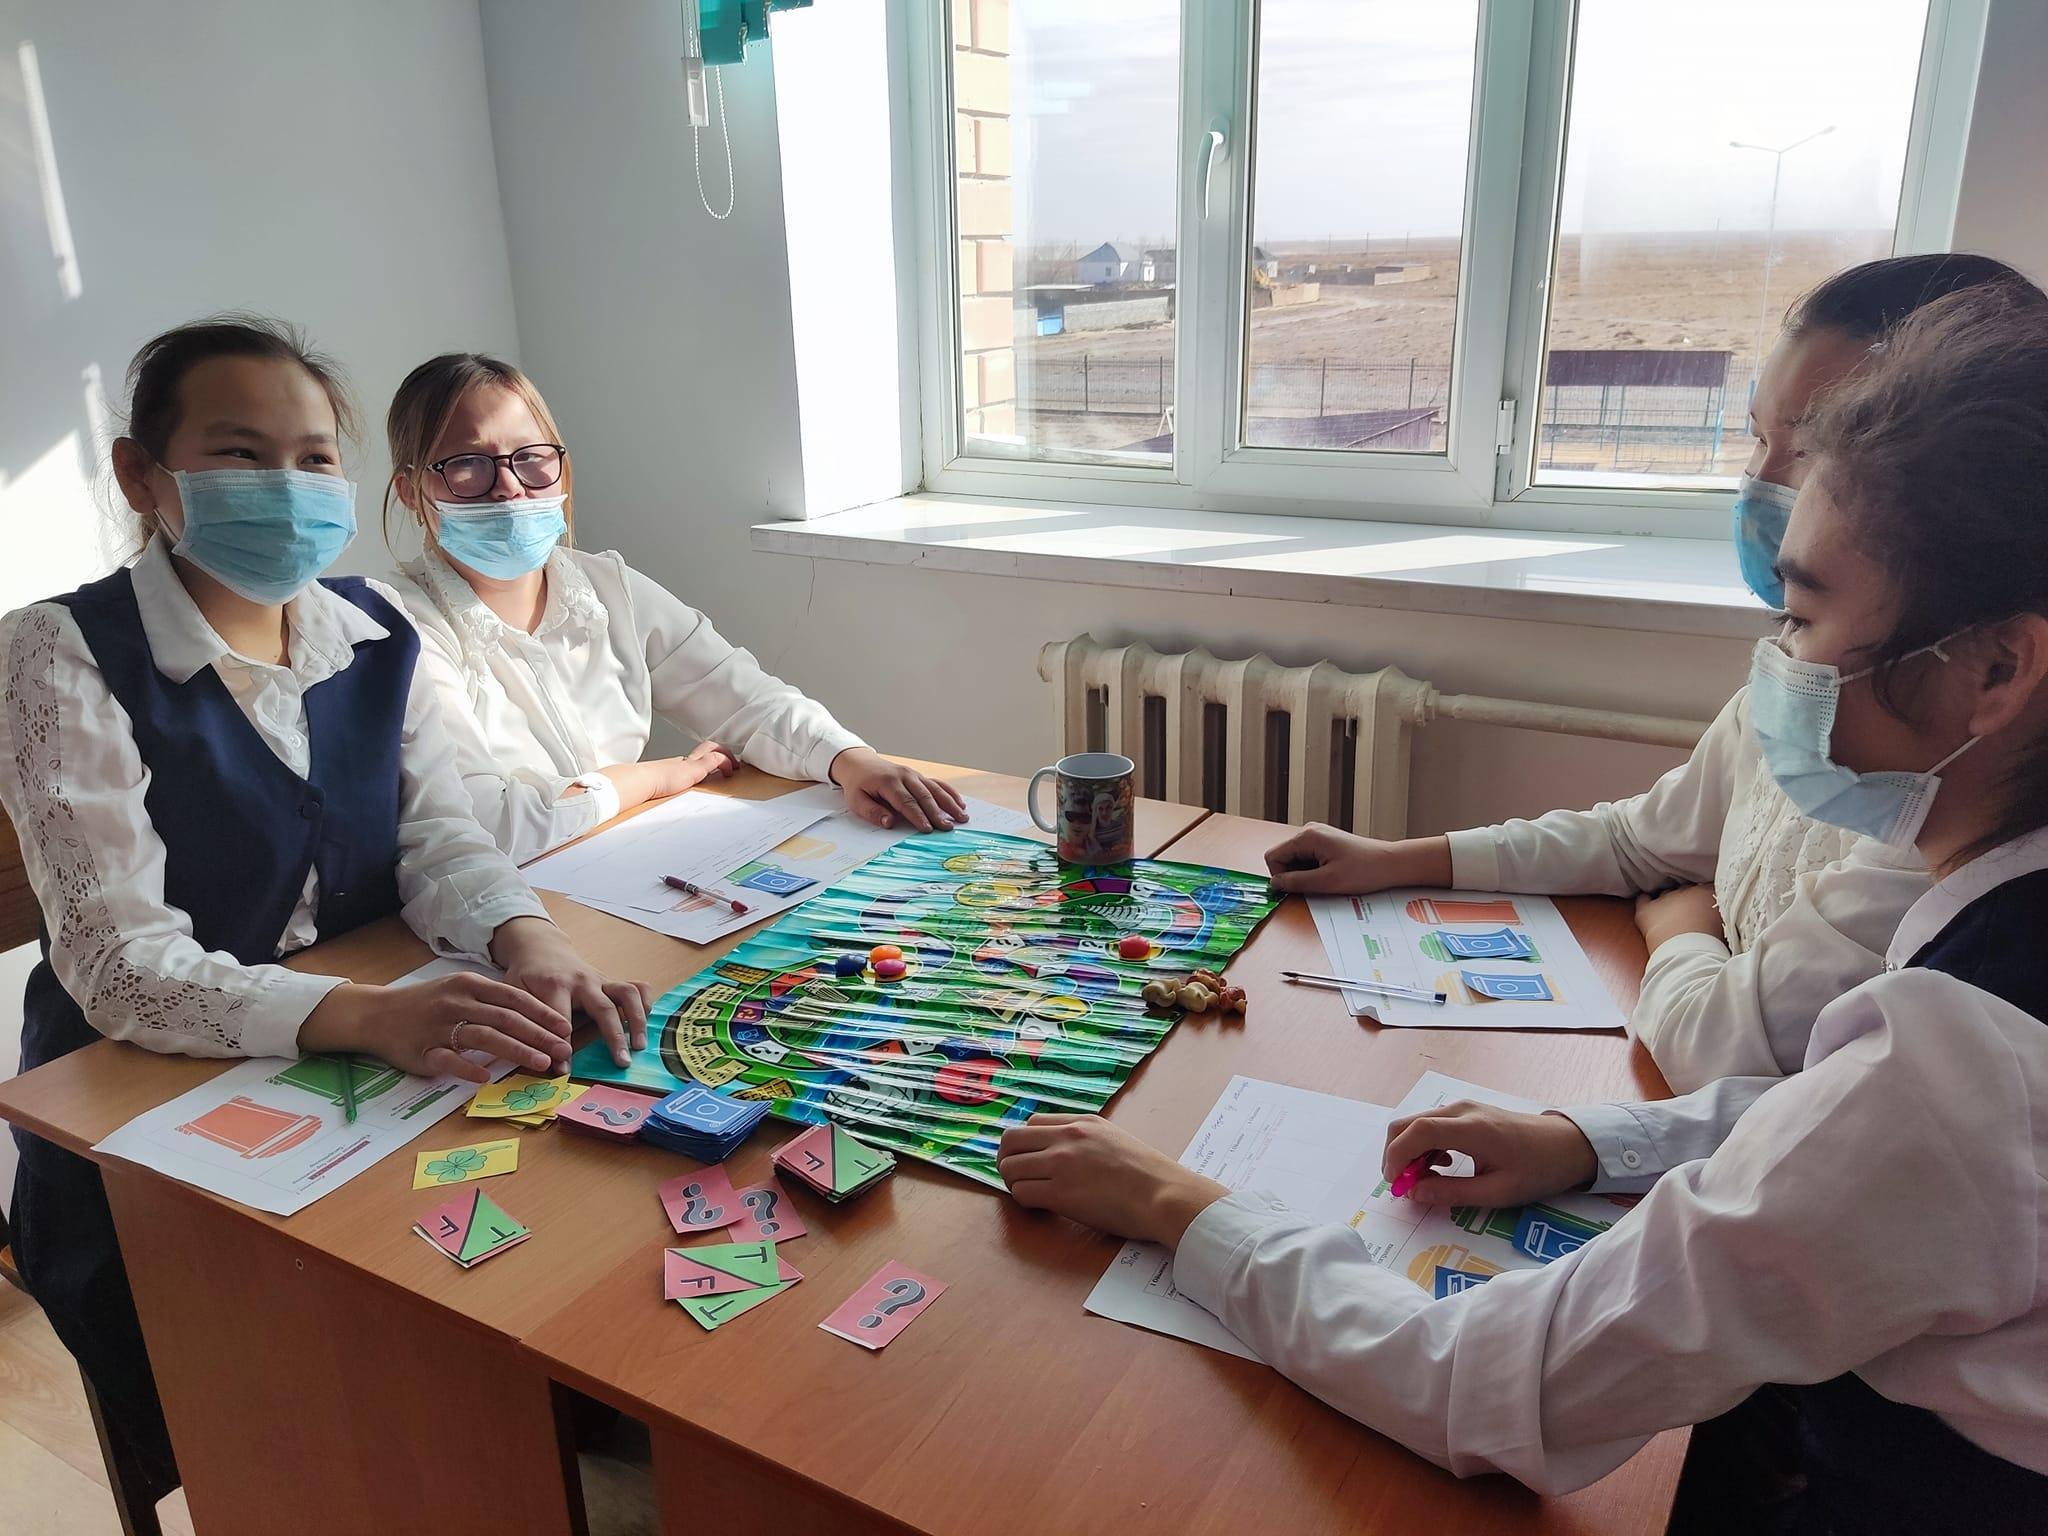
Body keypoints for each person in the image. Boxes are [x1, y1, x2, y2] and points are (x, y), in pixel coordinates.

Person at [998, 286, 2048, 1528]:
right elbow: (1823, 1124)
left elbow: (1476, 1386)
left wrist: (1175, 1202)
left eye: (1803, 618)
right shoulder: (1975, 969)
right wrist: (1591, 1141)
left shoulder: (1960, 1052)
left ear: (1994, 668)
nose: (1778, 662)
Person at [0, 317, 649, 1500]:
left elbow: (440, 838)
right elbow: (119, 964)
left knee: (551, 1261)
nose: (285, 486)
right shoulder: (60, 651)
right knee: (315, 1415)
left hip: (367, 1084)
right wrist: (369, 1016)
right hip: (146, 1110)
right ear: (141, 476)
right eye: (238, 454)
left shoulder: (375, 630)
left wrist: (529, 937)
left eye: (310, 458)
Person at [1265, 255, 2045, 1091]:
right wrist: (1398, 859)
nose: (1763, 482)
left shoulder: (1940, 809)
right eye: (1759, 438)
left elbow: (1725, 1046)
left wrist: (1679, 927)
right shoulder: (1805, 685)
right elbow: (1640, 840)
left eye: (1812, 447)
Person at [380, 353, 965, 864]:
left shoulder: (606, 586)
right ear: (410, 492)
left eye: (530, 457)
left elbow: (746, 700)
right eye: (468, 464)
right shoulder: (401, 626)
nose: (510, 486)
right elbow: (489, 823)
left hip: (620, 864)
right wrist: (653, 778)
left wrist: (849, 759)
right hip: (505, 904)